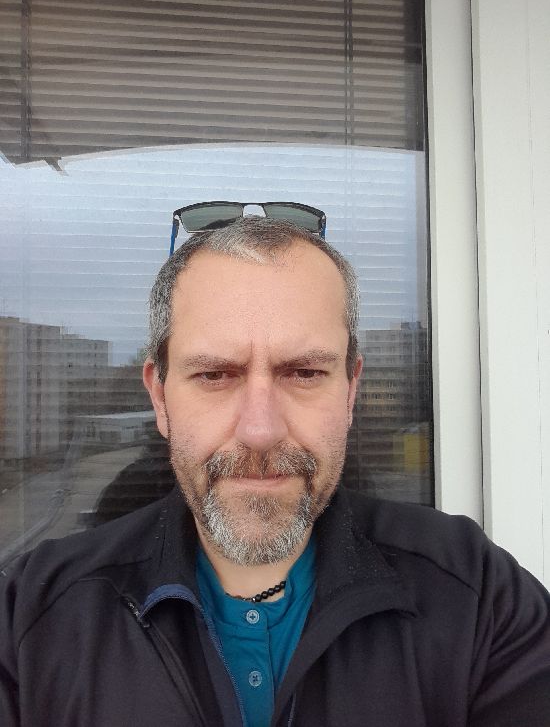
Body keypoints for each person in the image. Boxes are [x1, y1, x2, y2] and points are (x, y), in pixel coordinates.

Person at [1, 217, 549, 727]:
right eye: (214, 375)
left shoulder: (476, 593)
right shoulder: (32, 613)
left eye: (305, 372)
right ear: (160, 398)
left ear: (350, 392)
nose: (260, 430)